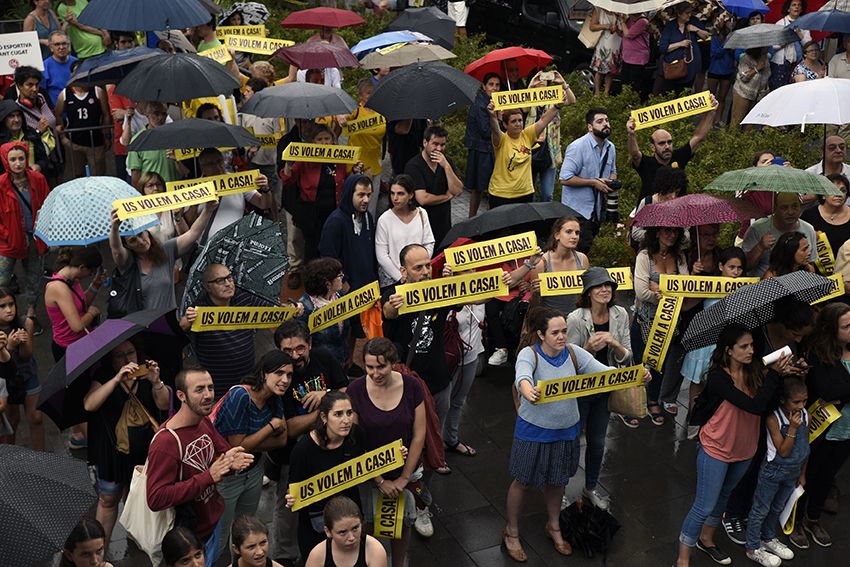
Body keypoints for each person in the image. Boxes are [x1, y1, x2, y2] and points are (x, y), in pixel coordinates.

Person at [504, 307, 649, 562]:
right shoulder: (529, 354)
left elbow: (603, 372)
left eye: (564, 331)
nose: (562, 337)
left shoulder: (573, 353)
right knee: (523, 482)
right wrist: (528, 390)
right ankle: (512, 532)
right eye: (555, 332)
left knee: (558, 481)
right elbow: (522, 376)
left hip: (566, 431)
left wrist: (633, 376)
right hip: (533, 432)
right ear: (540, 334)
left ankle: (554, 526)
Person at [674, 325, 783, 567]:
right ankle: (682, 559)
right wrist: (774, 375)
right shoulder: (717, 378)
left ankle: (707, 539)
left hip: (745, 449)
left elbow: (766, 404)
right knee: (704, 505)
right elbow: (753, 406)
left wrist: (783, 374)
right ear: (728, 350)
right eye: (744, 346)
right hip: (716, 448)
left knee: (724, 497)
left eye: (752, 345)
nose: (750, 351)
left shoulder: (755, 372)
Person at [146, 366, 255, 566]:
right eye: (199, 390)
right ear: (181, 395)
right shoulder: (165, 443)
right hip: (189, 539)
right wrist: (207, 477)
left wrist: (232, 461)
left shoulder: (204, 421)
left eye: (210, 388)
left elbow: (222, 460)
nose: (208, 395)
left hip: (213, 522)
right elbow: (155, 498)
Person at [272, 318, 349, 564]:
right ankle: (284, 556)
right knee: (288, 508)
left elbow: (344, 390)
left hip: (330, 449)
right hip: (293, 456)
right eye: (287, 351)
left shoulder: (324, 358)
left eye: (300, 348)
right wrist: (325, 410)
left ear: (310, 344)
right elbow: (289, 429)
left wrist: (326, 395)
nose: (294, 355)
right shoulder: (277, 377)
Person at [82, 340, 169, 549]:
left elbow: (164, 404)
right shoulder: (103, 376)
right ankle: (99, 549)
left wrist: (156, 382)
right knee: (108, 498)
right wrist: (115, 379)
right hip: (112, 450)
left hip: (143, 448)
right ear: (111, 359)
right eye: (119, 355)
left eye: (130, 352)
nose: (127, 359)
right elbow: (89, 404)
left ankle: (136, 536)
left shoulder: (147, 371)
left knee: (137, 493)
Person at [347, 338, 425, 567]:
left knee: (403, 525)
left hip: (405, 472)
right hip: (370, 475)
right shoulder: (355, 390)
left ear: (393, 363)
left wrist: (403, 478)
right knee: (368, 525)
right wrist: (379, 480)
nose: (375, 373)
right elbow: (356, 441)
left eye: (381, 366)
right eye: (369, 367)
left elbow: (419, 434)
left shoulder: (412, 386)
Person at [212, 351, 292, 556]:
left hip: (254, 472)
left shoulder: (275, 397)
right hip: (228, 477)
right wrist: (270, 427)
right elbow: (238, 446)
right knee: (220, 538)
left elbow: (282, 439)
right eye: (279, 373)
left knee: (244, 533)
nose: (285, 380)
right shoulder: (241, 396)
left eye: (289, 375)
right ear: (264, 373)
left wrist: (255, 440)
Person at [567, 267, 634, 506]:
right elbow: (569, 361)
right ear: (588, 292)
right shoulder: (576, 318)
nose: (605, 290)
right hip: (583, 388)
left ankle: (590, 488)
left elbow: (627, 356)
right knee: (572, 440)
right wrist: (587, 349)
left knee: (597, 442)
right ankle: (561, 491)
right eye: (598, 286)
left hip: (605, 387)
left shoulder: (620, 314)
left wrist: (614, 343)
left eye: (608, 285)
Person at [789, 303, 850, 549]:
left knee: (827, 478)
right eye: (847, 326)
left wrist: (840, 393)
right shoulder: (817, 353)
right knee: (807, 475)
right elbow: (827, 390)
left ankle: (813, 519)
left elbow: (837, 391)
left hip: (846, 431)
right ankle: (795, 521)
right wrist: (838, 392)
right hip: (821, 429)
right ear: (831, 329)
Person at [284, 391, 366, 557]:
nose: (346, 420)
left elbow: (371, 463)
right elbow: (292, 488)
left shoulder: (356, 435)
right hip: (315, 526)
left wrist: (397, 455)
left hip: (350, 517)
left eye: (349, 413)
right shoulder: (303, 449)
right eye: (338, 414)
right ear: (323, 417)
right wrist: (291, 498)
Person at [681, 247, 747, 439]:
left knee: (719, 386)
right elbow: (686, 305)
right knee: (697, 383)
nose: (735, 273)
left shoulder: (744, 288)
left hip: (726, 346)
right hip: (705, 343)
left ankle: (711, 424)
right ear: (721, 266)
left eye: (739, 268)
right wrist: (694, 275)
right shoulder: (709, 285)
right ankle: (693, 421)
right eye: (731, 267)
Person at [180, 264, 276, 395]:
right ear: (207, 286)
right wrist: (188, 318)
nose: (228, 284)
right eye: (220, 280)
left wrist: (293, 308)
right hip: (217, 391)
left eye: (230, 278)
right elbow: (183, 327)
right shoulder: (200, 309)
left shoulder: (244, 297)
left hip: (248, 384)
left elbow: (274, 311)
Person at [744, 378, 808, 566]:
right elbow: (783, 450)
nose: (801, 406)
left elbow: (806, 447)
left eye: (804, 401)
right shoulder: (774, 418)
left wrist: (802, 473)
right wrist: (793, 429)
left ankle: (768, 537)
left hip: (793, 472)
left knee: (778, 507)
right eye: (796, 402)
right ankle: (752, 546)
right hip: (773, 471)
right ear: (783, 400)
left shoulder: (805, 415)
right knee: (760, 509)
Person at [109, 203, 217, 313]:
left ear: (146, 231)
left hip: (167, 323)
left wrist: (208, 210)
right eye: (133, 240)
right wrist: (115, 229)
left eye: (141, 234)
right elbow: (116, 250)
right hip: (140, 324)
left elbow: (192, 233)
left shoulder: (166, 250)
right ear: (127, 246)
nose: (141, 241)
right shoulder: (128, 261)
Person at [632, 226, 692, 425]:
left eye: (675, 232)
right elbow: (641, 291)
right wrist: (668, 294)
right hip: (644, 321)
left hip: (669, 320)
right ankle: (636, 402)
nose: (671, 235)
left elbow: (686, 288)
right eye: (667, 231)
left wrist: (660, 290)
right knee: (642, 362)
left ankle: (653, 400)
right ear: (656, 233)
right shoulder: (644, 256)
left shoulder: (680, 257)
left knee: (661, 364)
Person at [488, 73, 574, 209]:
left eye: (520, 120)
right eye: (513, 121)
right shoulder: (501, 139)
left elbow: (544, 120)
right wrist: (492, 116)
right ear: (505, 125)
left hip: (525, 194)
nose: (518, 124)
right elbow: (494, 129)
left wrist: (557, 106)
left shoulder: (527, 135)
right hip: (501, 194)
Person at [626, 94, 717, 201]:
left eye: (669, 142)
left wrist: (711, 112)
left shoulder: (678, 157)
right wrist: (631, 134)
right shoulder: (646, 163)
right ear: (652, 147)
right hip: (650, 212)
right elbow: (635, 155)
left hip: (677, 211)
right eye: (661, 143)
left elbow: (699, 137)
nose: (667, 146)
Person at [281, 126, 352, 261]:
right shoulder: (304, 159)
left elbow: (348, 180)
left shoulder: (340, 158)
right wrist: (289, 164)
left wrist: (355, 170)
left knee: (333, 246)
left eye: (327, 139)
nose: (324, 142)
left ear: (333, 140)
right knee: (313, 249)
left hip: (334, 212)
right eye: (320, 139)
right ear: (313, 142)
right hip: (311, 215)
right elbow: (288, 180)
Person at [0, 142, 49, 327]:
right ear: (6, 161)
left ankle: (30, 315)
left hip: (34, 238)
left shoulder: (38, 179)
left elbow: (47, 205)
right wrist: (7, 234)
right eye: (13, 159)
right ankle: (4, 313)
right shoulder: (1, 184)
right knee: (2, 279)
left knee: (34, 278)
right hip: (7, 242)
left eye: (21, 158)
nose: (18, 163)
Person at [506, 216, 589, 323]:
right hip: (549, 322)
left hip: (576, 321)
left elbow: (586, 293)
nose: (574, 236)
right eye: (569, 232)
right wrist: (536, 291)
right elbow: (535, 300)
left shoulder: (582, 260)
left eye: (577, 233)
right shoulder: (542, 262)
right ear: (557, 235)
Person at [559, 108, 616, 252]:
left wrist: (611, 182)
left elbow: (612, 172)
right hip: (577, 212)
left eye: (607, 120)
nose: (605, 124)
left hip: (597, 211)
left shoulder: (611, 147)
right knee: (578, 253)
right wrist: (593, 182)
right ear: (590, 127)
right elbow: (564, 178)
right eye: (600, 121)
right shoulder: (577, 147)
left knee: (584, 252)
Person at [403, 125, 463, 247]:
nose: (439, 149)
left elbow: (457, 190)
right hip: (421, 227)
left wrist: (446, 167)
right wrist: (446, 197)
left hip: (444, 225)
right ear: (425, 143)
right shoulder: (413, 166)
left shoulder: (446, 162)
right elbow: (423, 199)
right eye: (435, 144)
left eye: (442, 145)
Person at [194, 148, 274, 240]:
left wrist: (265, 190)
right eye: (211, 164)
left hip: (233, 245)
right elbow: (188, 223)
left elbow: (263, 204)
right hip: (206, 246)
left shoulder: (237, 180)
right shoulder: (196, 187)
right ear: (202, 167)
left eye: (219, 161)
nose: (217, 166)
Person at [0, 287, 43, 450]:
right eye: (2, 306)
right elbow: (3, 367)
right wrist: (9, 347)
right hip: (6, 380)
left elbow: (26, 356)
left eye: (11, 304)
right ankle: (9, 459)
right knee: (11, 419)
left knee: (36, 417)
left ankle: (40, 459)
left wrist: (24, 342)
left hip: (27, 374)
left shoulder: (26, 322)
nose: (9, 310)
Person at [319, 174, 377, 292]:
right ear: (350, 194)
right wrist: (344, 284)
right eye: (361, 195)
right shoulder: (335, 222)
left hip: (368, 290)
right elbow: (328, 258)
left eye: (369, 195)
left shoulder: (368, 218)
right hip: (349, 294)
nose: (366, 200)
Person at [375, 174, 435, 289]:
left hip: (419, 277)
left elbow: (429, 243)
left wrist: (420, 266)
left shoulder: (422, 214)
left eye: (400, 193)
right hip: (393, 280)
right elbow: (382, 255)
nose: (395, 198)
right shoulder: (384, 220)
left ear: (411, 195)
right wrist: (401, 277)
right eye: (392, 193)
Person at [340, 78, 386, 219]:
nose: (371, 96)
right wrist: (342, 118)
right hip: (357, 166)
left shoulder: (382, 112)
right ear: (360, 96)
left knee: (371, 206)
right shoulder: (356, 111)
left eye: (373, 93)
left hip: (375, 165)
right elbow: (343, 118)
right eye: (368, 93)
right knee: (356, 205)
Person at [742, 193, 818, 277]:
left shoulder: (809, 229)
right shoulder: (757, 229)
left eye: (795, 206)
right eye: (784, 207)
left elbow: (811, 263)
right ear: (775, 208)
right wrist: (760, 247)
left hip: (798, 282)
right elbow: (745, 266)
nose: (790, 212)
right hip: (764, 284)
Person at [304, 496, 387, 567]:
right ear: (328, 532)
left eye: (355, 528)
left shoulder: (374, 550)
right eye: (342, 532)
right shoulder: (318, 555)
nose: (351, 538)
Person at [54, 75, 110, 178]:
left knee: (98, 176)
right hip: (74, 142)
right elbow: (57, 114)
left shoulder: (97, 91)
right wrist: (62, 136)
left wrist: (107, 136)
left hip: (96, 141)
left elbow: (106, 114)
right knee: (76, 175)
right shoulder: (65, 93)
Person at [299, 257, 350, 363]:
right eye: (339, 276)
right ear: (327, 283)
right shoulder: (306, 309)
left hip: (341, 358)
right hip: (322, 364)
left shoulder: (340, 296)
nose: (343, 277)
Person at [464, 72, 500, 216]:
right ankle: (474, 218)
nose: (495, 88)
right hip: (482, 150)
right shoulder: (481, 104)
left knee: (479, 188)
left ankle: (473, 217)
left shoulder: (490, 102)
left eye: (497, 85)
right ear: (484, 87)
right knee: (485, 187)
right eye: (491, 84)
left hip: (484, 149)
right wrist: (497, 117)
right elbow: (486, 131)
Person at [629, 166, 688, 248]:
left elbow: (686, 234)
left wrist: (675, 236)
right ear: (662, 189)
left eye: (677, 192)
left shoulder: (680, 206)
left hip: (673, 253)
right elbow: (635, 232)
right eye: (670, 191)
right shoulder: (647, 203)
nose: (673, 196)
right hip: (649, 252)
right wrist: (658, 236)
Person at [657, 3, 709, 94]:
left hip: (690, 67)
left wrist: (696, 29)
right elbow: (663, 48)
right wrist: (680, 44)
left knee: (685, 94)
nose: (689, 15)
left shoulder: (693, 21)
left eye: (690, 12)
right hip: (673, 68)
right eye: (687, 13)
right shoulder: (670, 26)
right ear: (679, 14)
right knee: (670, 95)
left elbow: (706, 36)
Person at [127, 102, 181, 185]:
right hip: (152, 192)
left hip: (174, 190)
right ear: (147, 115)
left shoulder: (175, 137)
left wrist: (177, 160)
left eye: (164, 114)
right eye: (156, 113)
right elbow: (135, 175)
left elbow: (185, 169)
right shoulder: (138, 140)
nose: (160, 118)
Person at [135, 172, 188, 243]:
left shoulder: (171, 208)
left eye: (158, 184)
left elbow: (185, 235)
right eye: (150, 185)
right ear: (143, 189)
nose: (155, 188)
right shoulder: (138, 212)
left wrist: (178, 216)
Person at [0, 100, 49, 174]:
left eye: (18, 115)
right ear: (3, 118)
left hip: (33, 180)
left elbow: (44, 158)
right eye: (11, 116)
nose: (16, 120)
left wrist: (39, 166)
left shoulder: (31, 134)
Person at [770, 0, 809, 90]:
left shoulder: (805, 24)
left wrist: (800, 35)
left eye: (799, 5)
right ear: (788, 9)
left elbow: (808, 45)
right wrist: (783, 43)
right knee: (778, 89)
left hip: (798, 63)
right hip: (781, 63)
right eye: (794, 5)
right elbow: (772, 45)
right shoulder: (780, 23)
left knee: (794, 89)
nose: (797, 7)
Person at [730, 47, 771, 130]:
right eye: (766, 46)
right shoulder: (745, 58)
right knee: (736, 123)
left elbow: (767, 76)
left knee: (750, 125)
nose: (768, 47)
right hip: (743, 92)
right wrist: (757, 68)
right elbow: (744, 77)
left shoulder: (765, 58)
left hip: (757, 95)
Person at [706, 22, 735, 126]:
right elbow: (715, 53)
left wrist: (733, 48)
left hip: (727, 71)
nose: (731, 24)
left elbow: (735, 56)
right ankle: (708, 120)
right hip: (714, 70)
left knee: (722, 97)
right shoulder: (715, 37)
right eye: (729, 22)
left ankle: (718, 120)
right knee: (711, 97)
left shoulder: (734, 36)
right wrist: (726, 44)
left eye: (733, 21)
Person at [589, 8, 623, 97]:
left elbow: (623, 31)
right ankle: (597, 93)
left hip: (616, 43)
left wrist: (618, 25)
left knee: (611, 71)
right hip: (603, 43)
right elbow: (592, 26)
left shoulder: (620, 11)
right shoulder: (598, 9)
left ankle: (606, 93)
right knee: (599, 70)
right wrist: (605, 26)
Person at [618, 12, 650, 99]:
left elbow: (629, 34)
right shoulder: (628, 20)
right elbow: (623, 34)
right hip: (627, 56)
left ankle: (635, 102)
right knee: (625, 82)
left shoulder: (643, 21)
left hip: (638, 58)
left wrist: (622, 22)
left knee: (635, 84)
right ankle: (625, 102)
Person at [41, 31, 77, 106]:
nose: (61, 47)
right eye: (57, 44)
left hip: (76, 108)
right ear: (51, 48)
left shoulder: (76, 63)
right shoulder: (45, 66)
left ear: (68, 45)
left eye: (64, 43)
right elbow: (42, 93)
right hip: (55, 111)